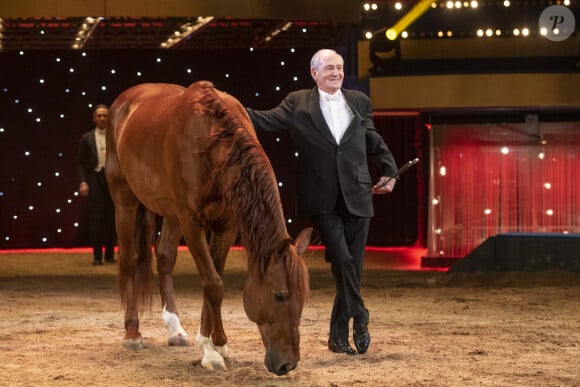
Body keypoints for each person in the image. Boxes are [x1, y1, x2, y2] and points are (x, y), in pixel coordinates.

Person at [246, 49, 398, 355]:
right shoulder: (297, 102)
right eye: (330, 68)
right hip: (320, 196)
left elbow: (373, 140)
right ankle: (361, 314)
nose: (337, 73)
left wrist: (390, 170)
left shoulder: (359, 102)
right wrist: (230, 107)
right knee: (342, 260)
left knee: (352, 268)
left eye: (340, 68)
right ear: (314, 72)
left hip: (358, 193)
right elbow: (262, 120)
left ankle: (338, 337)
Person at [76, 104, 116, 266]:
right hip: (95, 179)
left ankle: (110, 255)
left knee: (112, 217)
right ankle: (97, 257)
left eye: (105, 116)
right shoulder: (87, 138)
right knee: (97, 217)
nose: (102, 118)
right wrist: (83, 182)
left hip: (112, 179)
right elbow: (79, 162)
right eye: (99, 116)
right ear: (94, 119)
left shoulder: (115, 137)